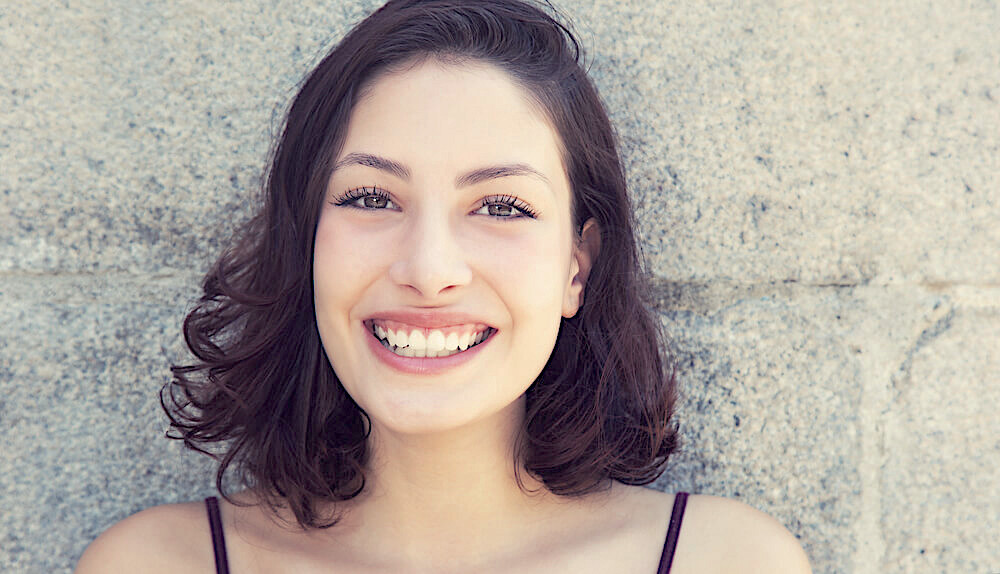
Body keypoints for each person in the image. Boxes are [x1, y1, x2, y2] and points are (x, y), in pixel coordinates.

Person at [76, 1, 811, 572]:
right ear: (306, 243)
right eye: (369, 198)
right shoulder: (156, 565)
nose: (428, 269)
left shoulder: (721, 562)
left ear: (576, 266)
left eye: (500, 207)